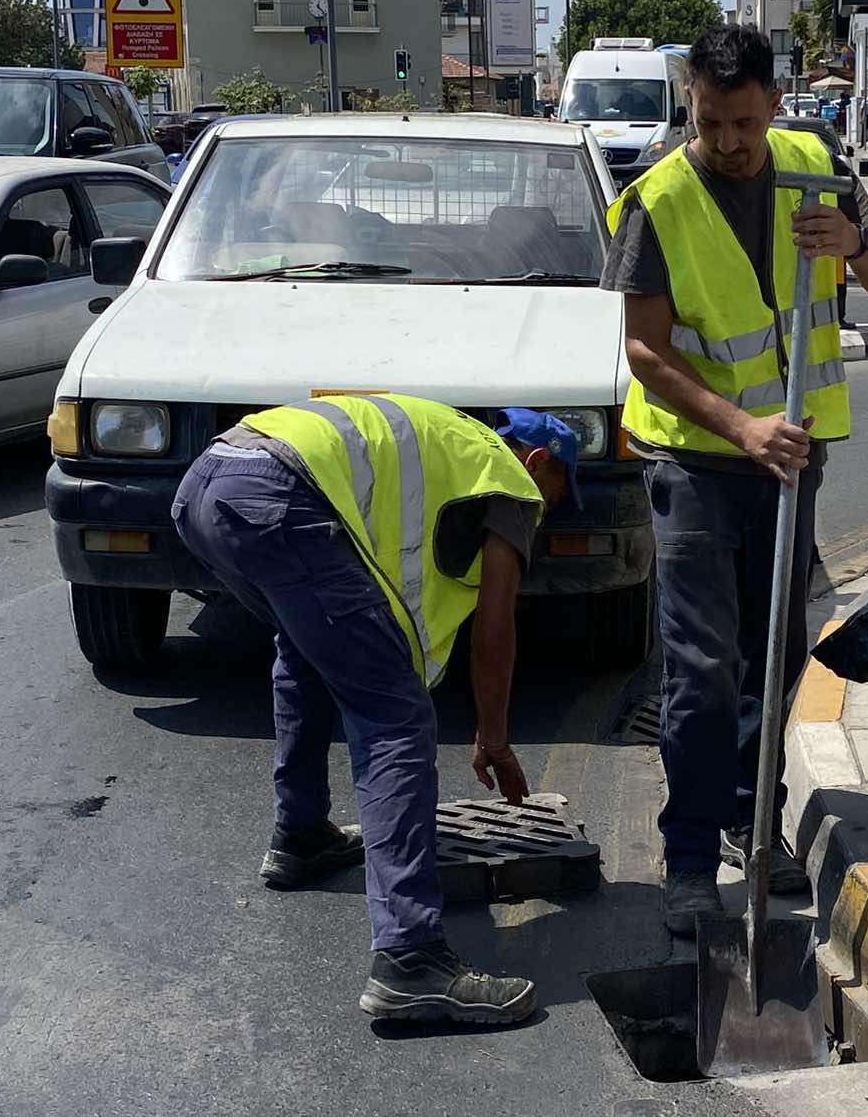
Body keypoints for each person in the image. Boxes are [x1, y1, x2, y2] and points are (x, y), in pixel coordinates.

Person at [599, 24, 868, 936]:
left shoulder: (818, 170)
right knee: (702, 666)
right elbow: (645, 352)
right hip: (695, 461)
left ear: (774, 103)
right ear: (688, 105)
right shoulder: (657, 201)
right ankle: (690, 859)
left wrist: (854, 240)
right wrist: (740, 427)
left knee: (771, 657)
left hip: (790, 461)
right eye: (708, 122)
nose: (727, 142)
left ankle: (751, 817)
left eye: (741, 121)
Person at [171, 395, 580, 1024]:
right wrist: (493, 735)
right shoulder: (507, 479)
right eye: (557, 492)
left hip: (207, 486)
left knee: (307, 655)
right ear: (539, 459)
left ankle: (301, 836)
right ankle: (410, 959)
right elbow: (495, 627)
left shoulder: (450, 445)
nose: (548, 512)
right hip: (278, 496)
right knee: (394, 717)